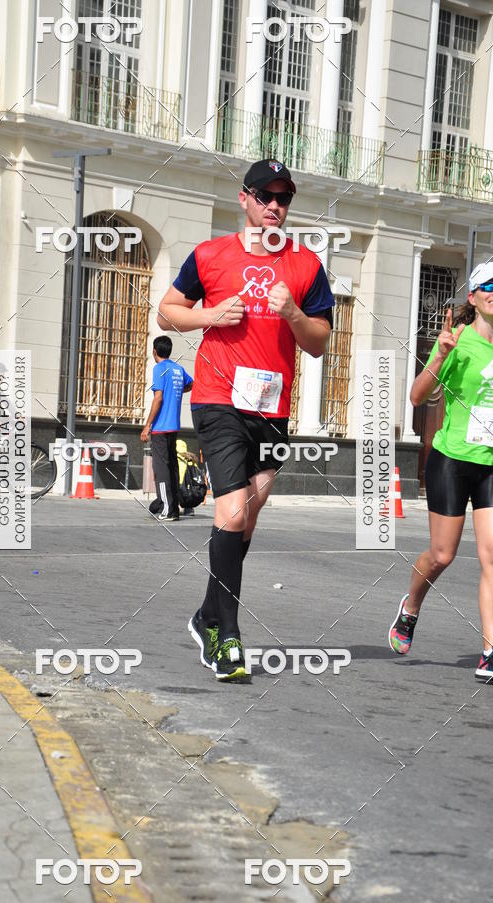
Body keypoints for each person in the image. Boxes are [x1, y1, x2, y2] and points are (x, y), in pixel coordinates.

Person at [158, 158, 334, 680]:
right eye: (264, 196)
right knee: (231, 513)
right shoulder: (211, 255)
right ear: (245, 198)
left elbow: (320, 343)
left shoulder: (306, 265)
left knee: (246, 519)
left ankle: (206, 613)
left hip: (272, 408)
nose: (274, 207)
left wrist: (294, 316)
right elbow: (168, 311)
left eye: (283, 199)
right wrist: (210, 315)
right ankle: (225, 636)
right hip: (218, 398)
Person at [389, 262, 493, 681]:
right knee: (442, 556)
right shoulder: (458, 341)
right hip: (451, 460)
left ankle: (490, 649)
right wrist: (442, 354)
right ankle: (411, 606)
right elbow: (417, 396)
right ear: (474, 296)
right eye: (490, 286)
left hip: (491, 464)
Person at [140, 336, 193, 521]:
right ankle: (173, 508)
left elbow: (158, 398)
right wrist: (176, 391)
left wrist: (147, 426)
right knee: (171, 468)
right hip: (174, 427)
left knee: (161, 469)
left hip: (161, 428)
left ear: (155, 351)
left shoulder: (159, 369)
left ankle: (167, 510)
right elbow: (191, 384)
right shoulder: (178, 369)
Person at [177, 438, 197, 516]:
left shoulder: (174, 458)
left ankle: (173, 508)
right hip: (190, 490)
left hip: (179, 489)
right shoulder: (191, 459)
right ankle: (189, 509)